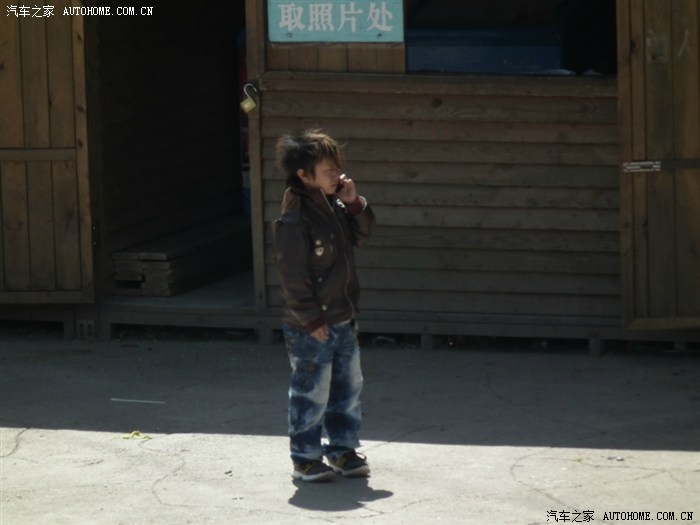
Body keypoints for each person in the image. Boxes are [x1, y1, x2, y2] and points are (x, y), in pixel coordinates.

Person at [272, 129, 376, 482]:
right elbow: (292, 276)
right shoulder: (295, 219)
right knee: (311, 392)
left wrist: (354, 202)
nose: (337, 175)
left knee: (348, 389)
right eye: (328, 170)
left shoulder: (336, 207)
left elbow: (363, 233)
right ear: (304, 175)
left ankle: (342, 450)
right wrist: (310, 318)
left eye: (337, 168)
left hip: (344, 317)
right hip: (311, 325)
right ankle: (305, 457)